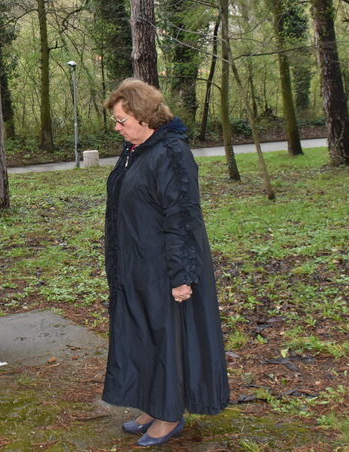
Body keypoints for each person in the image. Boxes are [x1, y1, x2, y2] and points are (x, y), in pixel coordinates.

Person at [102, 78, 229, 447]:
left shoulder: (171, 152)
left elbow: (182, 218)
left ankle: (170, 414)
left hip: (164, 267)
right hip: (138, 265)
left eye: (122, 119)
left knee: (167, 338)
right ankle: (152, 405)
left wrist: (181, 276)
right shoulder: (138, 150)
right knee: (144, 336)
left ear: (144, 117)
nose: (118, 126)